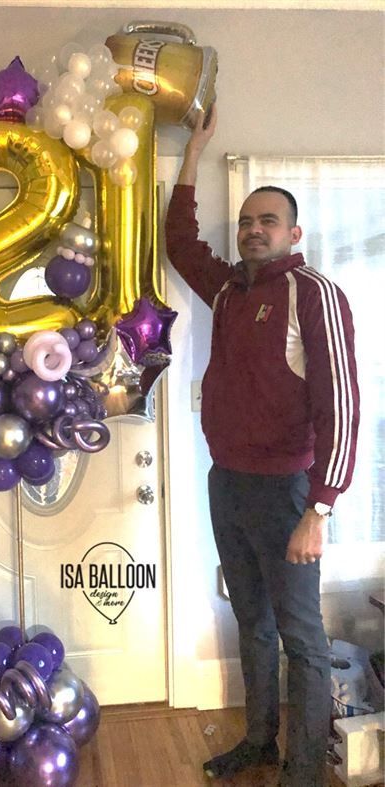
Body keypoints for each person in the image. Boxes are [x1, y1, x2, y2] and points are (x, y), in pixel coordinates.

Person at [165, 104, 360, 787]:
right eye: (246, 221)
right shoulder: (227, 291)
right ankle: (259, 742)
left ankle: (303, 772)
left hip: (289, 492)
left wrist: (322, 506)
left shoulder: (315, 294)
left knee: (301, 635)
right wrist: (194, 149)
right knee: (251, 619)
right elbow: (180, 242)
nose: (252, 229)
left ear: (293, 232)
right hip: (228, 481)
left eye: (265, 221)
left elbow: (343, 406)